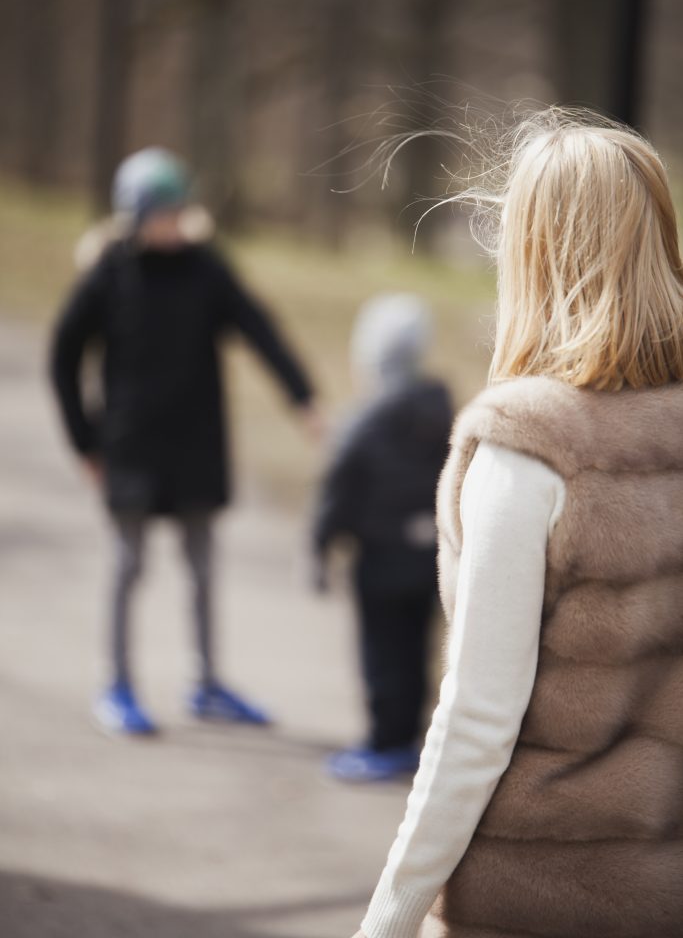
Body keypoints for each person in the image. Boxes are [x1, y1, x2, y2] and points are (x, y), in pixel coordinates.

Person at [352, 112, 683, 938]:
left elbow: (474, 723)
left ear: (532, 249)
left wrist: (384, 922)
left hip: (528, 901)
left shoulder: (528, 454)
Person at [50, 147, 320, 736]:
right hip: (130, 448)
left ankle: (205, 684)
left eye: (179, 212)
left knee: (202, 564)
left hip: (195, 445)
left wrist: (302, 395)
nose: (174, 224)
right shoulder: (109, 274)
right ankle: (116, 684)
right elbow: (63, 356)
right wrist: (84, 442)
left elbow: (258, 327)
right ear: (135, 216)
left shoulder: (206, 268)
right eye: (162, 214)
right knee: (128, 564)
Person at [313, 293, 453, 782]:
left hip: (379, 563)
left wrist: (319, 547)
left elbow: (337, 490)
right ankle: (408, 739)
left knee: (381, 655)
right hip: (428, 560)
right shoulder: (441, 412)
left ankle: (384, 742)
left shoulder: (363, 423)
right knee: (416, 652)